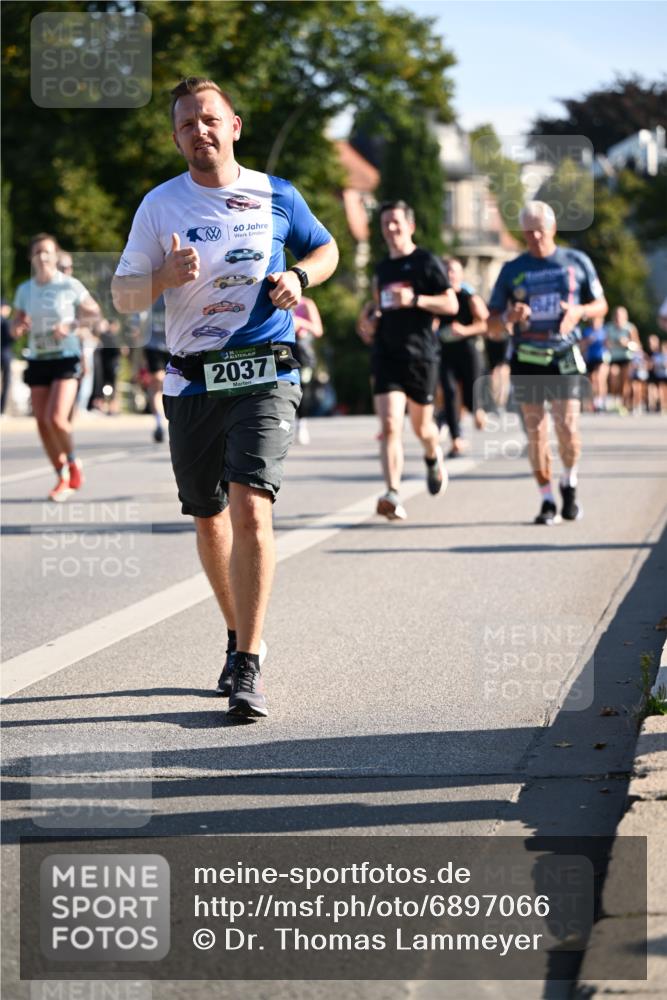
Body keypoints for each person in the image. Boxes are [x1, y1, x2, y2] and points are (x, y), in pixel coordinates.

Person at [111, 77, 338, 718]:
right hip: (192, 378)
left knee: (249, 509)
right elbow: (123, 295)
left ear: (234, 124)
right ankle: (238, 633)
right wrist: (163, 277)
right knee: (208, 516)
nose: (199, 132)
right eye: (186, 124)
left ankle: (248, 658)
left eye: (209, 119)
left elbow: (327, 249)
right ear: (177, 135)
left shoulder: (277, 194)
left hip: (265, 368)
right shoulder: (159, 205)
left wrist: (297, 275)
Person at [488, 201, 608, 525]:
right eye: (528, 231)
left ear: (553, 227)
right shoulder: (512, 269)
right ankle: (546, 500)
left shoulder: (576, 261)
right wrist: (508, 316)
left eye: (540, 229)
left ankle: (569, 480)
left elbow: (601, 305)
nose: (535, 236)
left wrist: (579, 312)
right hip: (527, 354)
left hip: (565, 353)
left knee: (567, 426)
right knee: (536, 431)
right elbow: (490, 324)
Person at [362, 200, 457, 520]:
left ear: (410, 226)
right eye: (385, 223)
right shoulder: (382, 268)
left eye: (396, 223)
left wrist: (415, 299)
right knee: (390, 425)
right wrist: (370, 319)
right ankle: (392, 492)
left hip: (420, 356)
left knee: (423, 428)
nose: (390, 228)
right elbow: (378, 305)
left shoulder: (426, 262)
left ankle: (433, 455)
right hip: (386, 353)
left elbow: (451, 304)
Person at [12, 233, 100, 500]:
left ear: (55, 255)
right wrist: (19, 327)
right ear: (31, 257)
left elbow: (94, 313)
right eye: (37, 252)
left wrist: (70, 326)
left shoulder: (68, 285)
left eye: (47, 251)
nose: (42, 256)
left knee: (56, 418)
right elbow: (18, 321)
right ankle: (61, 474)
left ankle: (73, 462)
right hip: (38, 359)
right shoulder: (25, 290)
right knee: (41, 422)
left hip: (66, 356)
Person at [437, 258, 489, 456]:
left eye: (454, 271)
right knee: (449, 392)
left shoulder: (469, 297)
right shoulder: (438, 296)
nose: (450, 274)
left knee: (471, 393)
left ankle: (478, 410)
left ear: (460, 275)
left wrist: (464, 330)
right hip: (445, 352)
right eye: (447, 271)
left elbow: (485, 324)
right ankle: (456, 438)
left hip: (468, 350)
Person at [291, 294, 323, 445]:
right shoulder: (276, 301)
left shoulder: (306, 304)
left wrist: (300, 323)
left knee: (303, 388)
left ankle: (301, 424)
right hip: (284, 351)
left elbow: (318, 330)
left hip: (303, 354)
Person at [606, 305, 641, 414]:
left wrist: (627, 343)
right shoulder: (609, 327)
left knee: (625, 382)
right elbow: (605, 343)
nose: (618, 318)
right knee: (613, 375)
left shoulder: (630, 328)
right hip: (614, 357)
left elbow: (637, 345)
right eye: (616, 315)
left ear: (625, 316)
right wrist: (611, 344)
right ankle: (614, 399)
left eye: (620, 315)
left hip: (626, 358)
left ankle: (624, 403)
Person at [579, 315, 610, 412]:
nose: (595, 323)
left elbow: (609, 345)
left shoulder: (604, 331)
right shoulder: (587, 331)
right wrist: (588, 341)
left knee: (600, 378)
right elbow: (581, 346)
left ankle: (601, 401)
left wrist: (606, 342)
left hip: (602, 358)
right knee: (592, 380)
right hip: (590, 358)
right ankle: (595, 402)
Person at [1, 300, 16, 415]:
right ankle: (2, 409)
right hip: (5, 355)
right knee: (6, 383)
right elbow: (12, 338)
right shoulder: (6, 322)